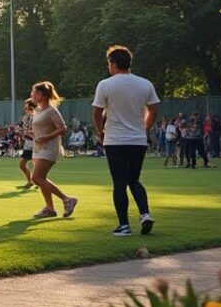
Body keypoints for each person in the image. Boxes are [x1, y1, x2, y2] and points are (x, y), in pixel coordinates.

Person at [92, 45, 159, 236]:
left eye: (109, 63)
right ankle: (145, 214)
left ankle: (124, 225)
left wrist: (100, 131)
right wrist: (145, 128)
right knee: (134, 180)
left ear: (113, 63)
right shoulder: (145, 84)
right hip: (137, 140)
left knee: (119, 183)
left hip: (115, 139)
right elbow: (154, 110)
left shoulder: (105, 84)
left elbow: (97, 111)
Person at [22, 81, 79, 219]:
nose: (31, 94)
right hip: (38, 147)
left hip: (49, 148)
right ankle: (50, 208)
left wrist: (46, 137)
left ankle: (67, 199)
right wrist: (32, 134)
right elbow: (41, 129)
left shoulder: (51, 111)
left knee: (36, 178)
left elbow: (63, 128)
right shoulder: (38, 110)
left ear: (41, 95)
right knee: (41, 178)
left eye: (34, 92)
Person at [17, 100, 36, 190]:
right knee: (22, 164)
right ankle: (30, 181)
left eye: (27, 108)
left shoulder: (37, 117)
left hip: (36, 142)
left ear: (32, 107)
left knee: (37, 164)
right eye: (25, 108)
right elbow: (19, 127)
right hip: (28, 143)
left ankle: (40, 181)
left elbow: (39, 131)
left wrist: (28, 132)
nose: (25, 110)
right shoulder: (25, 117)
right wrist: (19, 130)